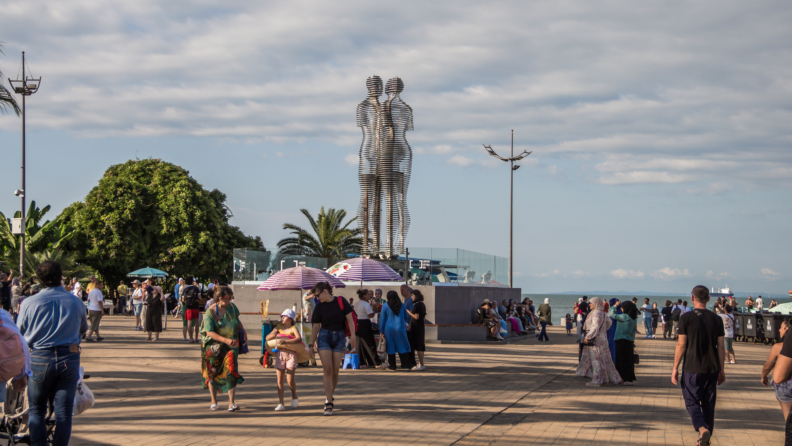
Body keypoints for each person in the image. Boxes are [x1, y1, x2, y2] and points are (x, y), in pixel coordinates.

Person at [18, 260, 87, 446]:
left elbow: (20, 333)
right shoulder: (76, 302)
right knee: (64, 412)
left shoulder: (28, 302)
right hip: (69, 358)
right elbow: (83, 329)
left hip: (39, 357)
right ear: (60, 277)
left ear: (39, 279)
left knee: (36, 409)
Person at [671, 285, 726, 446]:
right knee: (709, 405)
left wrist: (675, 367)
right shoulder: (717, 319)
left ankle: (702, 429)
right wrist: (722, 369)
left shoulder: (686, 318)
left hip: (692, 367)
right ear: (709, 299)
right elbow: (721, 347)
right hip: (712, 367)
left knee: (691, 401)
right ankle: (705, 440)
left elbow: (681, 345)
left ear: (692, 298)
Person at [310, 282, 357, 415]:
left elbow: (350, 320)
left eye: (318, 295)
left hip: (340, 337)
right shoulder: (319, 307)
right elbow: (315, 327)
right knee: (328, 369)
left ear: (325, 291)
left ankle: (329, 394)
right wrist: (310, 344)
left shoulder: (341, 301)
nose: (317, 298)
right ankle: (329, 402)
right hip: (324, 337)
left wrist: (353, 337)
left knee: (335, 371)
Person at [201, 285, 245, 412]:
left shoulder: (232, 307)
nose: (231, 300)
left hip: (231, 346)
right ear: (220, 298)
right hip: (213, 347)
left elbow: (237, 320)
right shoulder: (211, 312)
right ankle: (214, 401)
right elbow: (209, 332)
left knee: (231, 371)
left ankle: (231, 403)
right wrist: (225, 340)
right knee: (213, 372)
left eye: (231, 298)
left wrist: (243, 331)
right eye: (229, 298)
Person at [576, 297, 623, 386]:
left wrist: (589, 336)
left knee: (595, 359)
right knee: (605, 359)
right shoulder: (603, 313)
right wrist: (603, 330)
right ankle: (613, 378)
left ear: (596, 303)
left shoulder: (595, 313)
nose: (589, 304)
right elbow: (609, 323)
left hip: (595, 340)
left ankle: (597, 380)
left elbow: (595, 326)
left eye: (591, 303)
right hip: (602, 339)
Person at [266, 309, 301, 411]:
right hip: (280, 355)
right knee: (280, 379)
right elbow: (268, 337)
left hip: (291, 354)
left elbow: (299, 339)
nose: (282, 318)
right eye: (282, 316)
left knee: (290, 380)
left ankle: (294, 396)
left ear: (290, 319)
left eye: (285, 316)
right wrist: (274, 334)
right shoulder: (278, 328)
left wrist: (286, 341)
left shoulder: (293, 328)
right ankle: (281, 403)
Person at [378, 290, 411, 372]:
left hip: (388, 329)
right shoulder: (402, 305)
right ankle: (405, 365)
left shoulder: (385, 306)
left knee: (391, 347)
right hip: (400, 328)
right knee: (402, 346)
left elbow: (382, 319)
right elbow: (406, 316)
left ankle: (392, 366)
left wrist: (381, 330)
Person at [609, 300, 638, 385]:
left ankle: (625, 379)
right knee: (628, 360)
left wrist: (614, 306)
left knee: (621, 360)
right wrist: (632, 342)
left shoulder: (625, 317)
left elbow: (612, 315)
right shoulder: (634, 318)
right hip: (628, 341)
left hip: (621, 340)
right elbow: (633, 332)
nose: (621, 309)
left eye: (622, 307)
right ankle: (627, 378)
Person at [354, 289, 381, 369]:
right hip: (365, 323)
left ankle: (361, 362)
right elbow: (371, 315)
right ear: (364, 296)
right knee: (370, 343)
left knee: (359, 343)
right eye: (368, 294)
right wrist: (374, 308)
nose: (370, 296)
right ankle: (375, 362)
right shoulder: (366, 304)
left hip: (358, 323)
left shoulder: (356, 303)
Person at [406, 289, 426, 371]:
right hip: (420, 327)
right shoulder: (422, 304)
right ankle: (420, 363)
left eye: (412, 296)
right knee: (419, 345)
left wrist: (409, 312)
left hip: (417, 328)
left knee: (419, 346)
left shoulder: (417, 305)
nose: (411, 297)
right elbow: (423, 317)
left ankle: (421, 364)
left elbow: (416, 317)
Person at [181, 277, 202, 343]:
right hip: (195, 307)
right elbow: (200, 298)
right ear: (192, 281)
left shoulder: (185, 289)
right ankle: (196, 338)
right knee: (196, 322)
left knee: (189, 322)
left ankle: (191, 338)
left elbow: (183, 300)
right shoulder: (196, 288)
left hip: (188, 308)